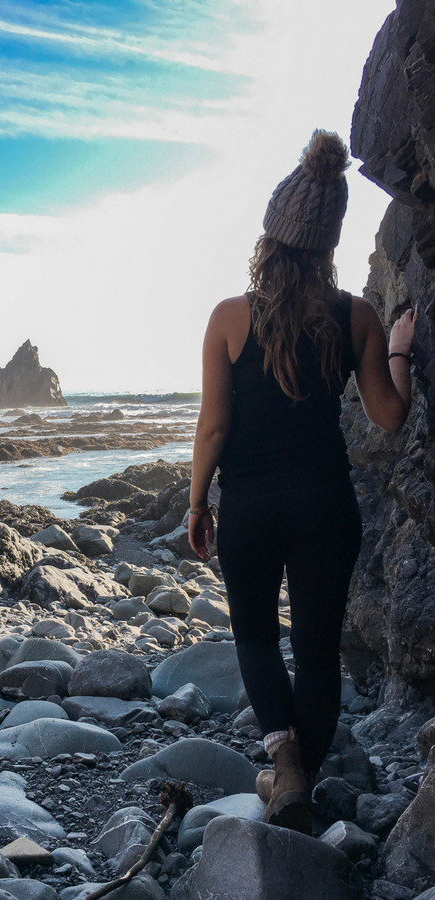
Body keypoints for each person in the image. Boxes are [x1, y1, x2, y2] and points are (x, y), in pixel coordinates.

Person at [188, 130, 417, 834]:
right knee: (317, 649)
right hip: (326, 504)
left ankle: (282, 765)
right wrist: (403, 348)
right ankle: (297, 779)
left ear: (272, 235)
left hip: (251, 506)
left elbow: (214, 428)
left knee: (256, 639)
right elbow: (387, 415)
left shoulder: (229, 317)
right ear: (328, 243)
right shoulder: (359, 317)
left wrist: (197, 500)